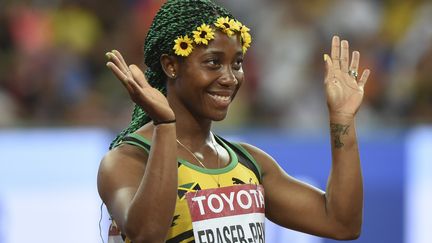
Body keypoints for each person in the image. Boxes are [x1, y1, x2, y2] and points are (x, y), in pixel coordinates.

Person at [97, 0, 370, 242]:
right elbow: (146, 236)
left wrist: (342, 119)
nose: (229, 78)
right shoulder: (127, 160)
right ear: (171, 65)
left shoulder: (248, 163)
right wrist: (165, 125)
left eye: (236, 64)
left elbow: (341, 223)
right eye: (213, 63)